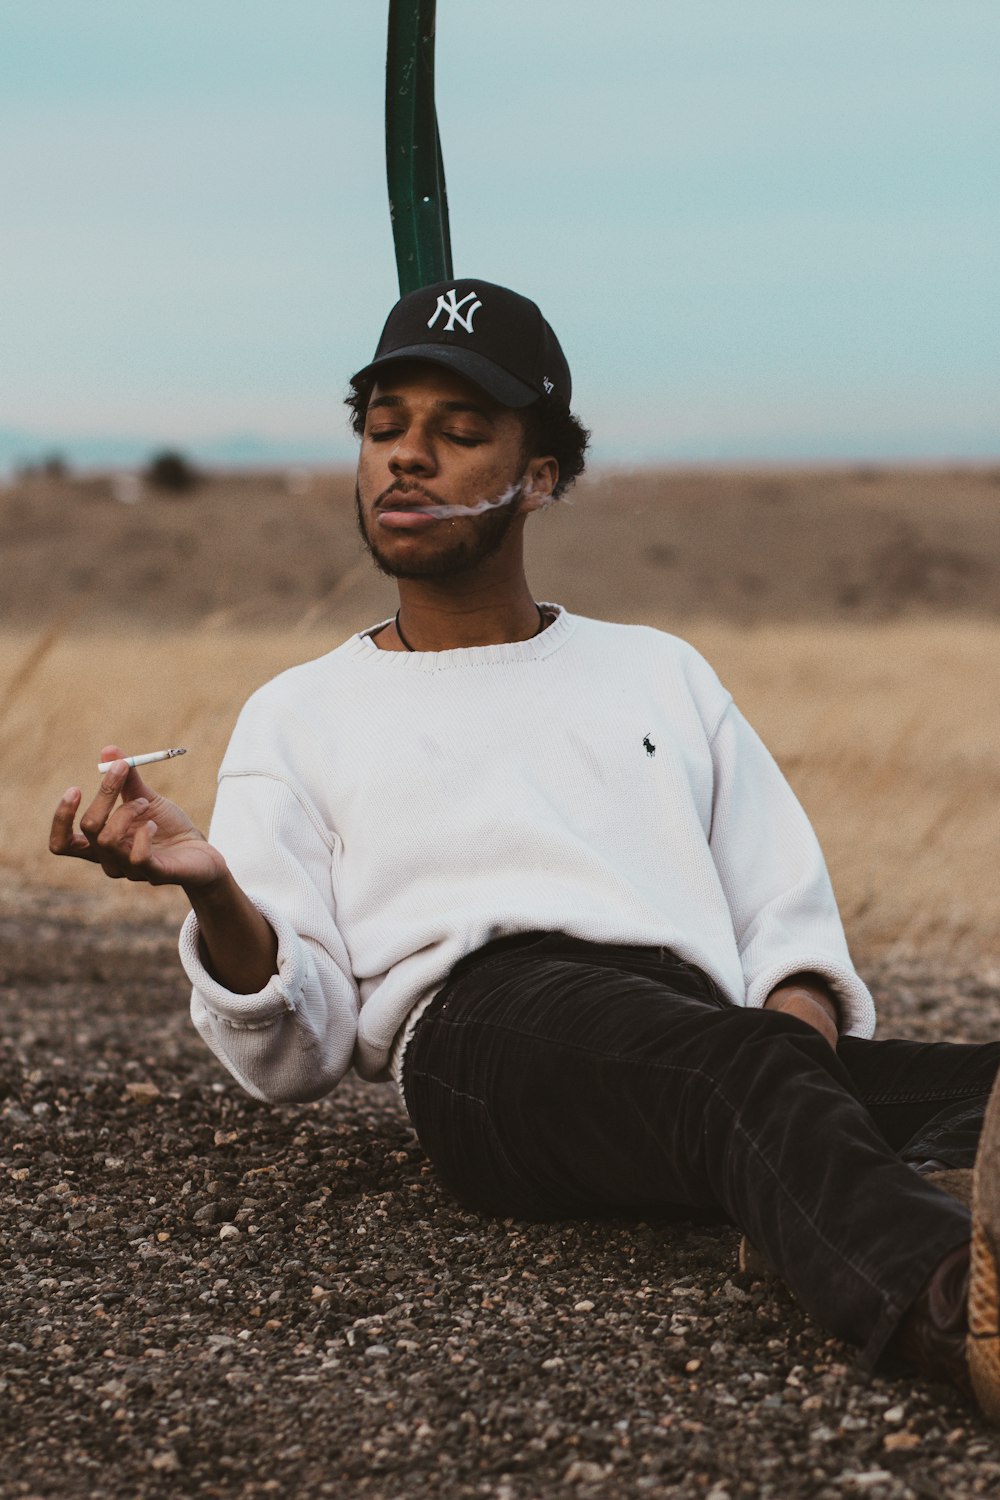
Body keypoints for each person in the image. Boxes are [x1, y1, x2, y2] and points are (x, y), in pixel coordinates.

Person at [49, 277, 1000, 1417]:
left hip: (698, 1033)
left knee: (942, 1080)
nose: (407, 458)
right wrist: (214, 894)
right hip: (484, 1037)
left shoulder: (658, 670)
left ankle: (802, 1201)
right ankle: (958, 1312)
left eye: (458, 433)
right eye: (384, 426)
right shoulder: (301, 714)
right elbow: (289, 1052)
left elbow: (779, 909)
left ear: (539, 476)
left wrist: (795, 1034)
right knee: (737, 1081)